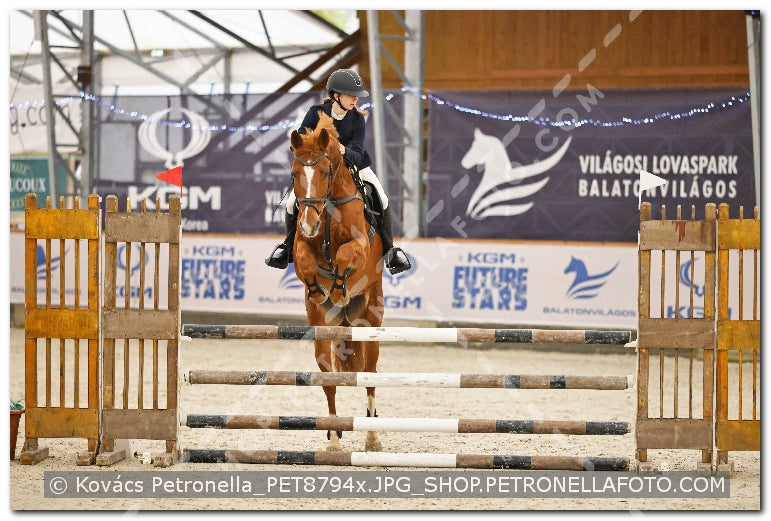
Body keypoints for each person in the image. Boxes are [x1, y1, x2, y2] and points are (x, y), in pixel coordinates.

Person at [265, 68, 411, 275]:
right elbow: (300, 141)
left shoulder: (357, 119)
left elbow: (358, 153)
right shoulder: (315, 113)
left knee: (383, 198)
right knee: (291, 203)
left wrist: (344, 150)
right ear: (336, 95)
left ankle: (391, 251)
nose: (355, 99)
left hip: (353, 166)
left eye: (356, 96)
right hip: (320, 168)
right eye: (351, 95)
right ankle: (287, 248)